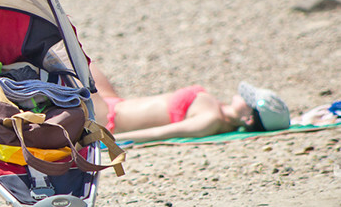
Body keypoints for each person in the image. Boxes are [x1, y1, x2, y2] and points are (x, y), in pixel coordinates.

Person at [89, 63, 290, 143]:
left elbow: (159, 134)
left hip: (108, 117)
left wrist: (105, 140)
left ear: (248, 118)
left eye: (249, 101)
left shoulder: (209, 120)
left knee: (67, 56)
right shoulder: (217, 108)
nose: (243, 97)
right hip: (115, 102)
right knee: (79, 52)